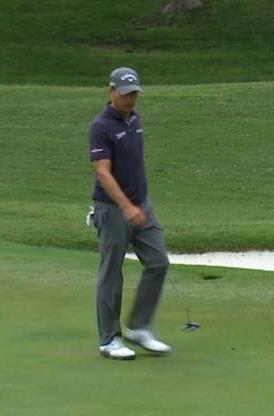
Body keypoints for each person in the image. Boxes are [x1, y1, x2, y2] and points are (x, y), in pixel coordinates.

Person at [88, 67, 171, 360]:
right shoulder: (101, 126)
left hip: (142, 205)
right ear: (111, 91)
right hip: (112, 210)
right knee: (112, 273)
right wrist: (126, 206)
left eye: (134, 93)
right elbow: (103, 173)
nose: (130, 99)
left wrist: (139, 204)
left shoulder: (136, 120)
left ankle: (140, 327)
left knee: (159, 262)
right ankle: (109, 339)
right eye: (125, 94)